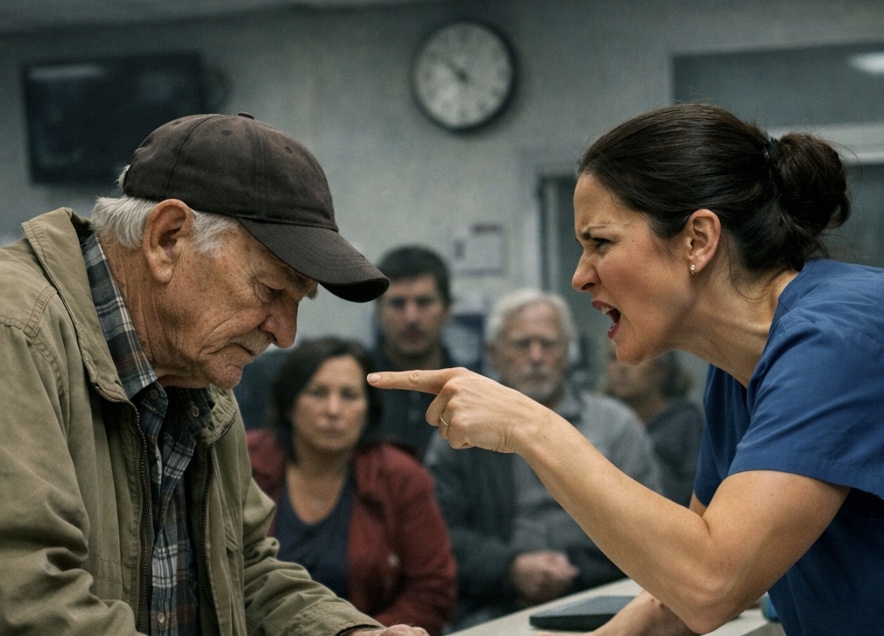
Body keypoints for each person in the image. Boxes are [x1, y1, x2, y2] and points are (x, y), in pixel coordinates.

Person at [368, 103, 884, 636]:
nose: (580, 277)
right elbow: (676, 589)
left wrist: (531, 426)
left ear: (698, 239)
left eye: (601, 243)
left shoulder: (832, 341)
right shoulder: (740, 369)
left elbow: (710, 582)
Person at [0, 112, 429, 635]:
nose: (285, 334)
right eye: (271, 290)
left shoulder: (195, 365)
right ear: (167, 239)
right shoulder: (16, 333)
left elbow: (243, 569)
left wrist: (348, 632)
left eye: (299, 301)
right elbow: (27, 598)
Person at [424, 288, 662, 629]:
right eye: (522, 344)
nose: (536, 357)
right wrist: (511, 567)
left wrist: (574, 569)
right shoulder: (459, 431)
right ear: (494, 354)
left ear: (567, 353)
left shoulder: (615, 426)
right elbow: (439, 532)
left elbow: (649, 528)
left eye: (548, 344)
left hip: (605, 595)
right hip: (494, 603)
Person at [247, 336, 456, 635]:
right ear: (289, 403)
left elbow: (431, 590)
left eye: (348, 395)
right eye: (318, 393)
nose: (333, 410)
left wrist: (372, 633)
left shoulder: (401, 477)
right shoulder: (245, 462)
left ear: (368, 409)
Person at [372, 245, 462, 460]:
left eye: (424, 302)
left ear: (448, 309)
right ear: (378, 312)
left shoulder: (469, 389)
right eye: (398, 303)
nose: (411, 317)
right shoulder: (356, 388)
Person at [604, 348, 705, 506]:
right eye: (613, 358)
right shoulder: (599, 420)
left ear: (662, 370)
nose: (621, 367)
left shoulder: (687, 424)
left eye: (634, 358)